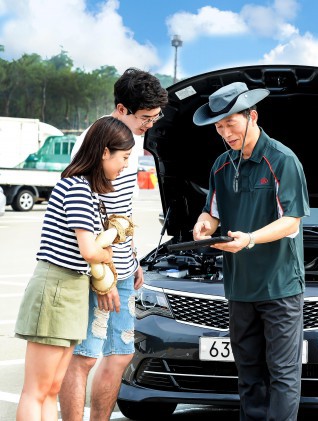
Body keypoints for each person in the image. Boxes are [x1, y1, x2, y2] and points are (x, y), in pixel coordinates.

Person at [191, 82, 310, 421]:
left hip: (279, 286)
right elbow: (212, 212)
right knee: (248, 373)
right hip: (239, 286)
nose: (225, 133)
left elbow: (291, 221)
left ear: (252, 116)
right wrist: (203, 226)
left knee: (283, 374)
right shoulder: (221, 165)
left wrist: (250, 239)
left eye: (231, 123)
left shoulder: (283, 160)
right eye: (219, 127)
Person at [58, 68, 168, 421]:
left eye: (155, 117)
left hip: (120, 265)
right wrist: (102, 279)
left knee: (120, 354)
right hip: (95, 270)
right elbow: (88, 221)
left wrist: (132, 259)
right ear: (122, 109)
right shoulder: (94, 144)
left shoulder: (131, 143)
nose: (150, 124)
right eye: (146, 117)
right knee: (84, 357)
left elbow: (121, 213)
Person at [15, 117, 135, 421]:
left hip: (71, 289)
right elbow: (89, 250)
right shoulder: (78, 188)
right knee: (36, 389)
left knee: (51, 388)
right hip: (56, 288)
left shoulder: (88, 190)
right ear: (105, 152)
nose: (125, 166)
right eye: (124, 157)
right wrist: (108, 255)